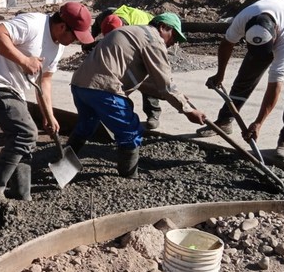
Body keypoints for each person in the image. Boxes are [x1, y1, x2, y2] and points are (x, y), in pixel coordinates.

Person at [0, 2, 94, 205]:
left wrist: (49, 115)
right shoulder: (33, 24)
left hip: (13, 90)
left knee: (24, 140)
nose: (75, 41)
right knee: (26, 133)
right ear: (63, 26)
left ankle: (21, 194)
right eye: (75, 36)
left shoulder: (58, 48)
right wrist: (24, 60)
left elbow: (44, 81)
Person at [68, 13, 206, 178]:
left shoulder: (132, 32)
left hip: (80, 86)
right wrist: (188, 110)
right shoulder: (153, 40)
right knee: (130, 132)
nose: (172, 43)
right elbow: (166, 84)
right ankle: (128, 177)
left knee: (85, 127)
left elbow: (144, 83)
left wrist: (179, 98)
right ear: (163, 27)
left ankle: (63, 163)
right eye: (173, 37)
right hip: (104, 89)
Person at [197, 0, 284, 161]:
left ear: (275, 35)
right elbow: (227, 43)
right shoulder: (243, 19)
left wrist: (259, 122)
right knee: (246, 75)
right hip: (276, 22)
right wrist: (220, 74)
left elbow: (275, 84)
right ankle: (224, 121)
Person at [92, 5, 163, 131]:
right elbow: (96, 27)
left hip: (150, 43)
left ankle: (153, 114)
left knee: (147, 78)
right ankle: (119, 114)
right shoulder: (107, 16)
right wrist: (89, 41)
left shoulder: (141, 28)